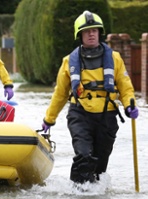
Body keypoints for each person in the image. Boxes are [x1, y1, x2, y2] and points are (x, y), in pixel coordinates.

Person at [41, 10, 139, 184]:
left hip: (107, 116)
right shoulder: (68, 62)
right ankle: (79, 194)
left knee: (100, 167)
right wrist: (49, 119)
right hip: (80, 115)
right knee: (84, 155)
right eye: (87, 31)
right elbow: (60, 94)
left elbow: (125, 87)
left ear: (100, 33)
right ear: (80, 35)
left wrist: (130, 105)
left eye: (94, 30)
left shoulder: (115, 59)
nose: (91, 34)